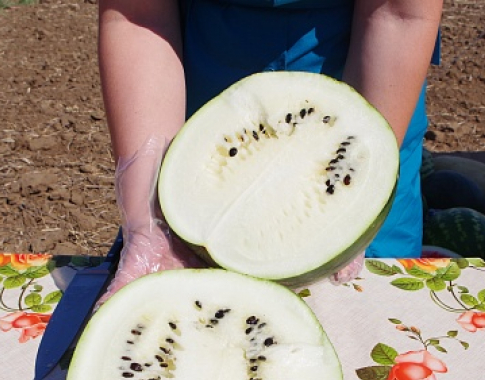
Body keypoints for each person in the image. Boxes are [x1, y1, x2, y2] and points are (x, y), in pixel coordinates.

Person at [95, 0, 443, 301]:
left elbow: (399, 12)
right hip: (200, 120)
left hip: (372, 92)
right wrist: (151, 220)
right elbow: (138, 15)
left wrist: (358, 204)